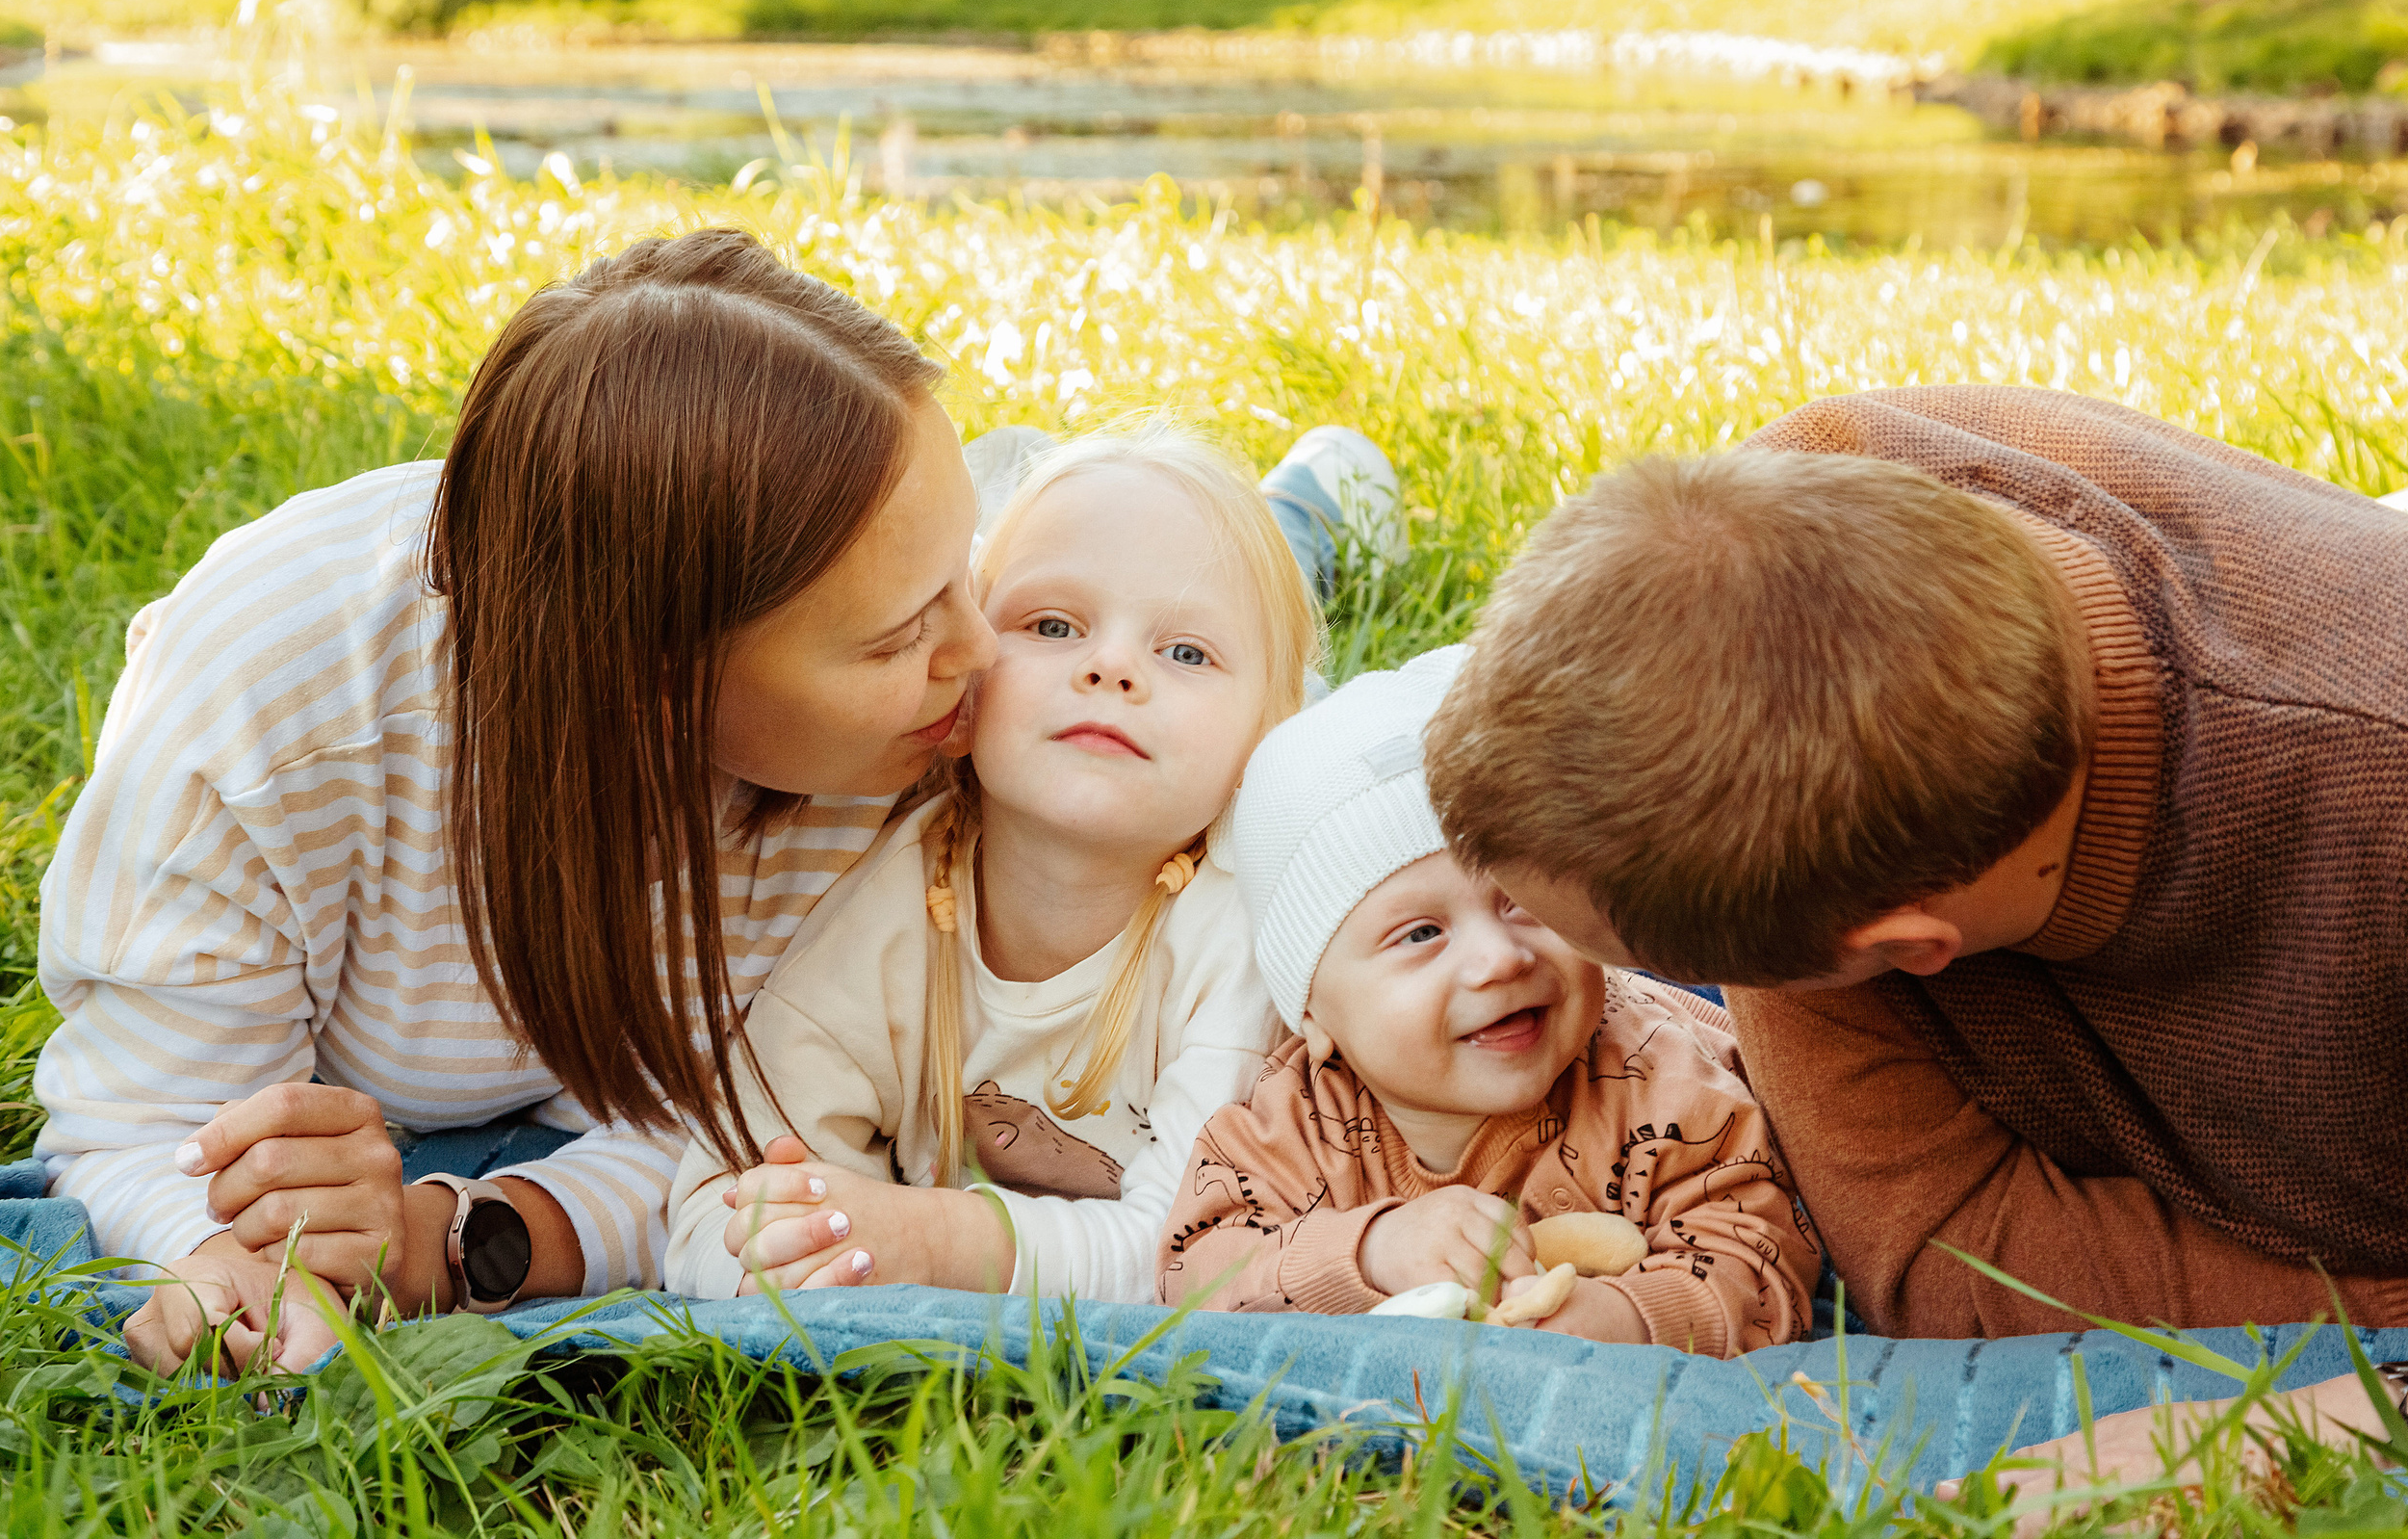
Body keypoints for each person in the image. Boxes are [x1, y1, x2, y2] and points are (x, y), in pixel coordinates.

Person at [33, 228, 998, 1375]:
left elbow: (744, 1146)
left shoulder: (923, 726)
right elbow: (146, 1128)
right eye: (898, 637)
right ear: (655, 678)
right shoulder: (274, 715)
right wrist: (223, 1261)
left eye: (965, 570)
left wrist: (448, 1242)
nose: (981, 651)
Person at [1421, 386, 2408, 1472]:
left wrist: (2331, 1399)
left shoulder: (2373, 804)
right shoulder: (1753, 548)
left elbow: (1956, 1270)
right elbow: (1938, 1251)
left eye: (1639, 963)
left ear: (1902, 947)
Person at [667, 424, 1322, 1303]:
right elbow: (713, 1201)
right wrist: (795, 1256)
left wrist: (937, 1241)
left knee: (1286, 557)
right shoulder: (892, 907)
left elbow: (1194, 1254)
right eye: (1052, 625)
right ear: (966, 682)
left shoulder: (1244, 935)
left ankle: (1318, 497)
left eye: (1185, 652)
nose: (1112, 666)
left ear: (1269, 739)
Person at [1157, 648, 1819, 1352]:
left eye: (1520, 901)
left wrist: (1624, 1318)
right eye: (1422, 934)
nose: (1501, 958)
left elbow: (1762, 1260)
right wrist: (1371, 1250)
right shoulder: (1294, 1124)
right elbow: (1193, 1273)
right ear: (1314, 1015)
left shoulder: (1669, 1089)